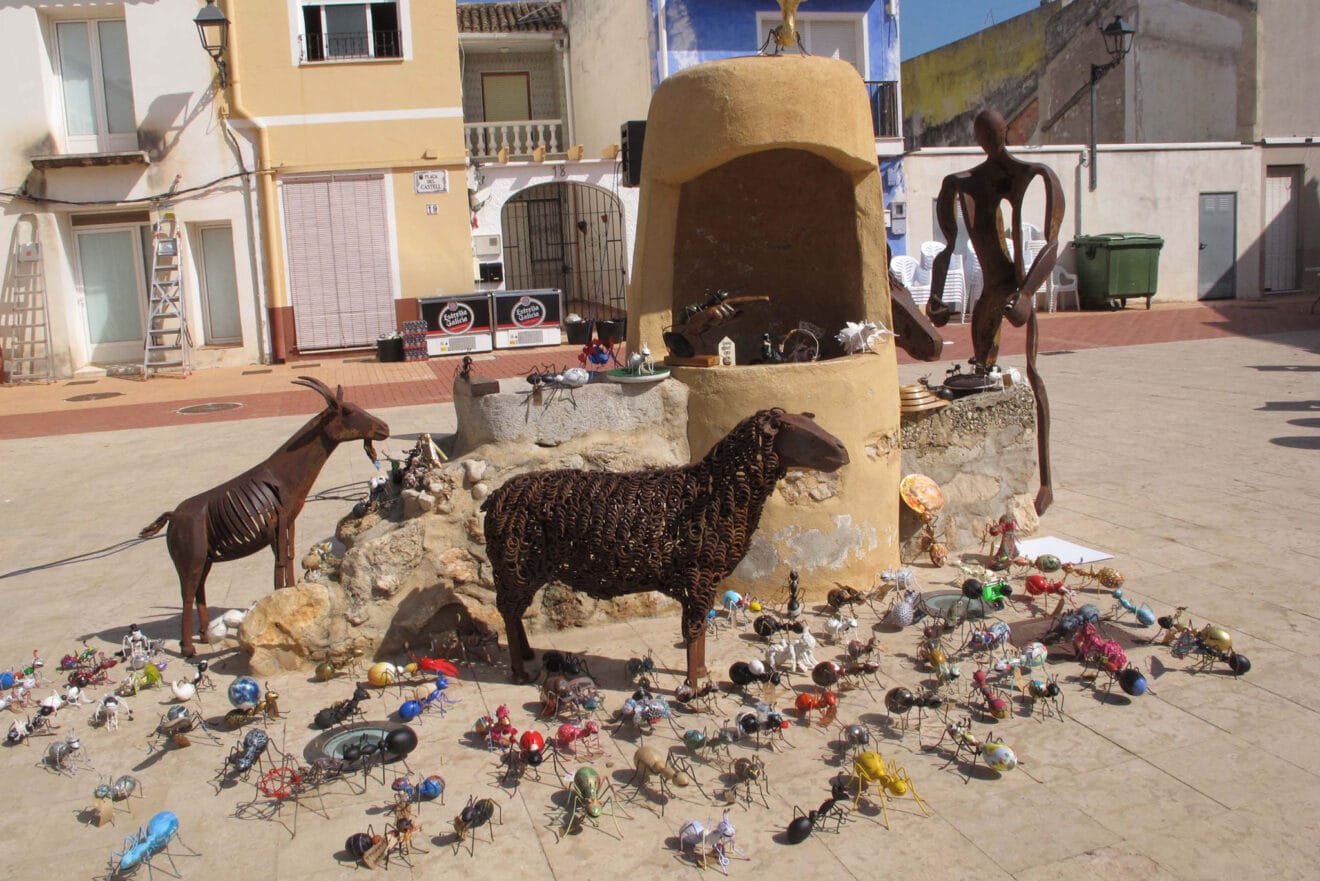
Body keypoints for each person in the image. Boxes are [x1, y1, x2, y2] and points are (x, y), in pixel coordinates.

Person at [926, 109, 1064, 514]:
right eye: (982, 133)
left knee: (1034, 373)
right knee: (980, 374)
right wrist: (936, 299)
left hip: (1016, 288)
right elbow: (947, 249)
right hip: (990, 294)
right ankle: (985, 477)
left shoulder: (1034, 174)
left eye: (992, 131)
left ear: (1005, 132)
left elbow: (1051, 245)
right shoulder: (961, 183)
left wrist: (1027, 293)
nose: (988, 138)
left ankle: (1047, 483)